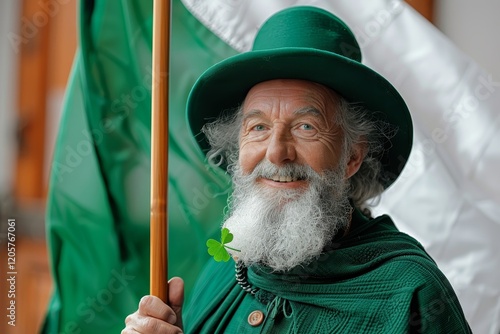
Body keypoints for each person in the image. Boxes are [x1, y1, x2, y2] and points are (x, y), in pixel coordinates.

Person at [122, 6, 471, 333]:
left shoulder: (410, 290)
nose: (276, 153)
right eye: (257, 128)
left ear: (352, 157)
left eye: (306, 127)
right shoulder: (224, 266)